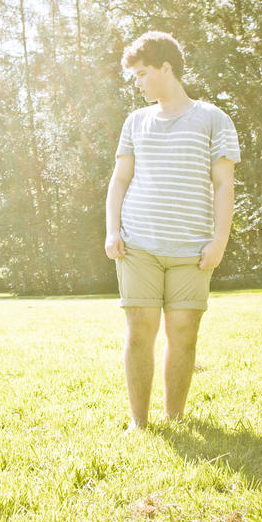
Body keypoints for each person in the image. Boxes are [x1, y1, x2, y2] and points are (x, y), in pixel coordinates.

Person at [105, 31, 240, 430]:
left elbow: (223, 185)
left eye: (143, 73)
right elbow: (119, 181)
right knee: (140, 331)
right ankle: (139, 423)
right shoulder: (135, 122)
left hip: (192, 249)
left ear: (167, 68)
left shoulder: (213, 119)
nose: (138, 82)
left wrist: (219, 240)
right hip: (138, 246)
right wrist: (112, 230)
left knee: (183, 333)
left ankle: (176, 418)